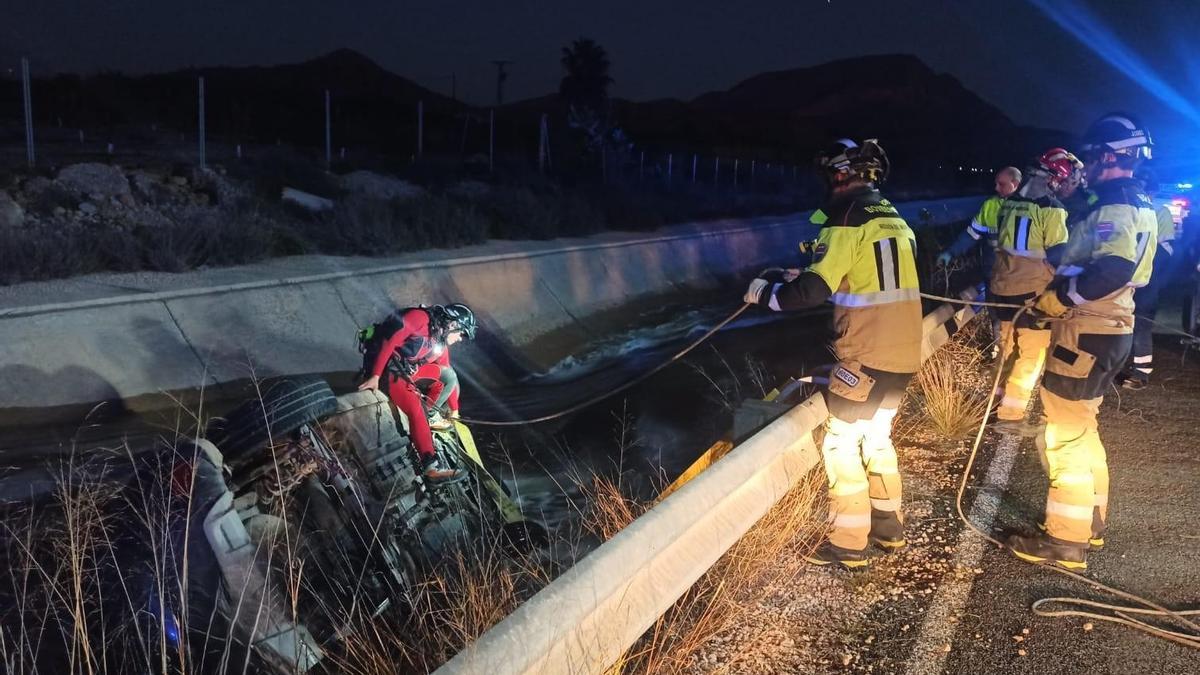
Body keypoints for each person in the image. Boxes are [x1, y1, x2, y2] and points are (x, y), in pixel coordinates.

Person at [744, 138, 922, 569]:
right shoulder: (895, 218)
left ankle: (849, 542)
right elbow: (869, 280)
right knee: (877, 437)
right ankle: (888, 525)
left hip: (865, 353)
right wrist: (809, 274)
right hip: (905, 350)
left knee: (841, 444)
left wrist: (764, 293)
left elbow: (808, 294)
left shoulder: (844, 219)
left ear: (841, 174)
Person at [1007, 114, 1157, 569]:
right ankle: (1088, 523)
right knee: (1084, 427)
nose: (1085, 166)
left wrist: (1056, 300)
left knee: (1066, 435)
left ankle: (1065, 540)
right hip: (1112, 328)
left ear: (1109, 156)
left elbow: (1113, 268)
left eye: (1091, 157)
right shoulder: (1139, 201)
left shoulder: (1115, 204)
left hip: (1088, 328)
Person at [987, 149, 1079, 434]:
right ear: (1055, 179)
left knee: (1006, 348)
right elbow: (1059, 256)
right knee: (1032, 355)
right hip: (1032, 293)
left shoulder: (1007, 203)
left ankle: (994, 403)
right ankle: (1011, 416)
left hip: (1001, 289)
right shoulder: (1051, 209)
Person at [357, 303, 478, 482]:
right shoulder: (419, 319)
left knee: (448, 375)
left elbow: (446, 373)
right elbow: (389, 342)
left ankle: (429, 416)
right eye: (461, 334)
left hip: (408, 373)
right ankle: (430, 468)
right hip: (389, 372)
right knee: (416, 410)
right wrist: (375, 375)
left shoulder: (439, 340)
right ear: (452, 324)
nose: (460, 338)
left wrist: (455, 411)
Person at [1116, 169, 1181, 389]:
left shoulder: (1159, 212)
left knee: (1141, 324)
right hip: (1128, 277)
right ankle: (1117, 366)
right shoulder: (1129, 209)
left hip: (1146, 280)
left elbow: (1166, 248)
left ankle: (1140, 373)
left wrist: (1152, 276)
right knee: (1121, 321)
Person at [936, 166, 1022, 278]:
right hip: (993, 273)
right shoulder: (990, 205)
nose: (996, 188)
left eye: (1001, 184)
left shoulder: (1029, 208)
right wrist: (951, 252)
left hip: (1019, 276)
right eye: (996, 184)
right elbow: (972, 235)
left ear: (1014, 184)